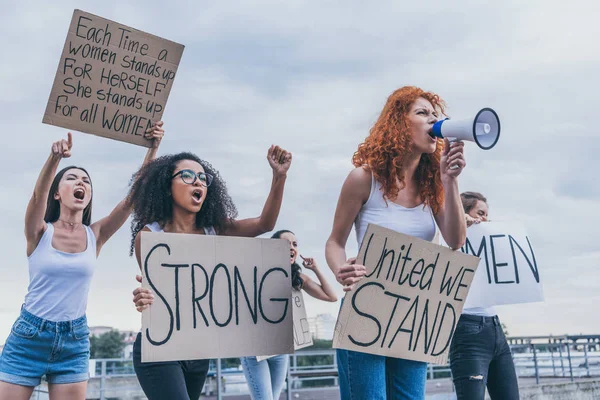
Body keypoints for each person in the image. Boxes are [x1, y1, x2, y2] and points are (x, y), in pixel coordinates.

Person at [0, 123, 164, 400]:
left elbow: (131, 200)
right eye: (72, 178)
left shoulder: (95, 235)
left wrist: (153, 148)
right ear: (57, 192)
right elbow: (37, 196)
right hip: (28, 339)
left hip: (74, 341)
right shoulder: (39, 232)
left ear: (88, 196)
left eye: (86, 181)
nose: (80, 183)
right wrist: (54, 159)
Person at [325, 86, 468, 399]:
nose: (434, 121)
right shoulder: (364, 179)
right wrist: (341, 270)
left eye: (437, 115)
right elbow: (335, 242)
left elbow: (456, 240)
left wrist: (450, 181)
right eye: (422, 113)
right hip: (366, 311)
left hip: (412, 319)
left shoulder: (433, 188)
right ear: (398, 123)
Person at [129, 146, 292, 400]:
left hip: (197, 352)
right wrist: (144, 298)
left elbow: (265, 224)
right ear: (166, 186)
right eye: (187, 176)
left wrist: (279, 177)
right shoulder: (150, 236)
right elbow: (156, 293)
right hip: (159, 350)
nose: (198, 182)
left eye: (203, 178)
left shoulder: (215, 231)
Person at [240, 229, 337, 400]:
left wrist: (315, 269)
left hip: (280, 349)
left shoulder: (296, 278)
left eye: (295, 244)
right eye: (286, 243)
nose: (291, 247)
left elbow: (331, 296)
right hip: (255, 349)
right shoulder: (255, 271)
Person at [448, 191, 519, 399]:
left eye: (487, 215)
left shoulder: (485, 246)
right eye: (480, 213)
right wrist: (463, 221)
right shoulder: (450, 241)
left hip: (495, 328)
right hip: (468, 328)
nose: (485, 219)